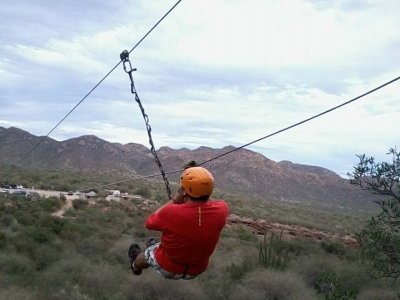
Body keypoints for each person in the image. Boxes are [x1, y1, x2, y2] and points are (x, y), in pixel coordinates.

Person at [128, 163, 229, 280]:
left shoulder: (172, 212)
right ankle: (157, 246)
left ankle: (135, 265)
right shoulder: (222, 209)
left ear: (184, 191)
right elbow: (205, 201)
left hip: (168, 267)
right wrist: (196, 185)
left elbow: (150, 223)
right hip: (197, 269)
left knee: (148, 253)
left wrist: (176, 198)